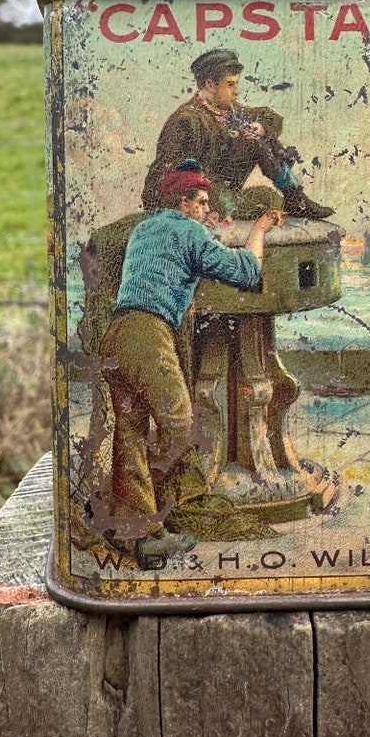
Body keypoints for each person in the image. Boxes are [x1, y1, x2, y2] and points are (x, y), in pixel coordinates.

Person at [100, 160, 284, 566]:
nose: (206, 209)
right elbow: (247, 272)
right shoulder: (187, 229)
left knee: (130, 432)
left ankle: (136, 533)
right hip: (148, 335)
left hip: (116, 334)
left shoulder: (144, 230)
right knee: (180, 424)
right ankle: (154, 506)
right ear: (183, 203)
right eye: (201, 202)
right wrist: (259, 231)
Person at [141, 47, 334, 221]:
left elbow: (270, 116)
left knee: (257, 138)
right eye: (230, 85)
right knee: (264, 201)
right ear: (210, 85)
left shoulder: (231, 110)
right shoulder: (185, 119)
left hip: (226, 192)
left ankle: (295, 198)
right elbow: (161, 178)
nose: (236, 91)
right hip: (203, 196)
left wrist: (261, 128)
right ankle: (282, 202)